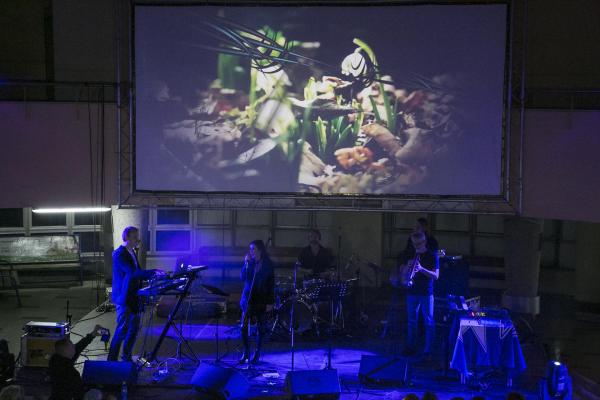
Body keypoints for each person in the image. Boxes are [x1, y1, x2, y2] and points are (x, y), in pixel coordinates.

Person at [108, 226, 161, 362]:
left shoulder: (132, 252)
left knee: (133, 330)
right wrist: (153, 271)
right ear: (126, 238)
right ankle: (111, 361)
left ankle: (126, 357)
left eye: (137, 236)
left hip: (134, 297)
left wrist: (152, 276)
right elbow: (132, 272)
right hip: (124, 298)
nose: (138, 239)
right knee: (121, 331)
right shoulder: (119, 254)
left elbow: (137, 272)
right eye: (134, 237)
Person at [403, 231, 439, 357]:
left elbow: (436, 276)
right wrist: (407, 269)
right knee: (411, 321)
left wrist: (421, 269)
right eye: (414, 244)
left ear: (424, 242)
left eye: (418, 244)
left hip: (426, 292)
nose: (416, 246)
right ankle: (411, 347)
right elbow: (404, 274)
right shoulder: (411, 254)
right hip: (412, 291)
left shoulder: (432, 255)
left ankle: (428, 350)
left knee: (428, 321)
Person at [48, 325, 106, 400]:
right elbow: (79, 392)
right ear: (67, 351)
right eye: (72, 346)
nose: (74, 347)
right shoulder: (70, 373)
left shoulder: (55, 359)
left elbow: (78, 347)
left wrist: (92, 334)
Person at [239, 240, 275, 364]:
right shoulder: (250, 263)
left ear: (260, 250)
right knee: (243, 326)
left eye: (253, 249)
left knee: (261, 327)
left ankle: (257, 353)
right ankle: (246, 352)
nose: (251, 251)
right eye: (250, 249)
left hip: (261, 299)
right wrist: (246, 264)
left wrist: (270, 302)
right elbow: (242, 277)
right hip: (248, 298)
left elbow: (271, 284)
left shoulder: (268, 264)